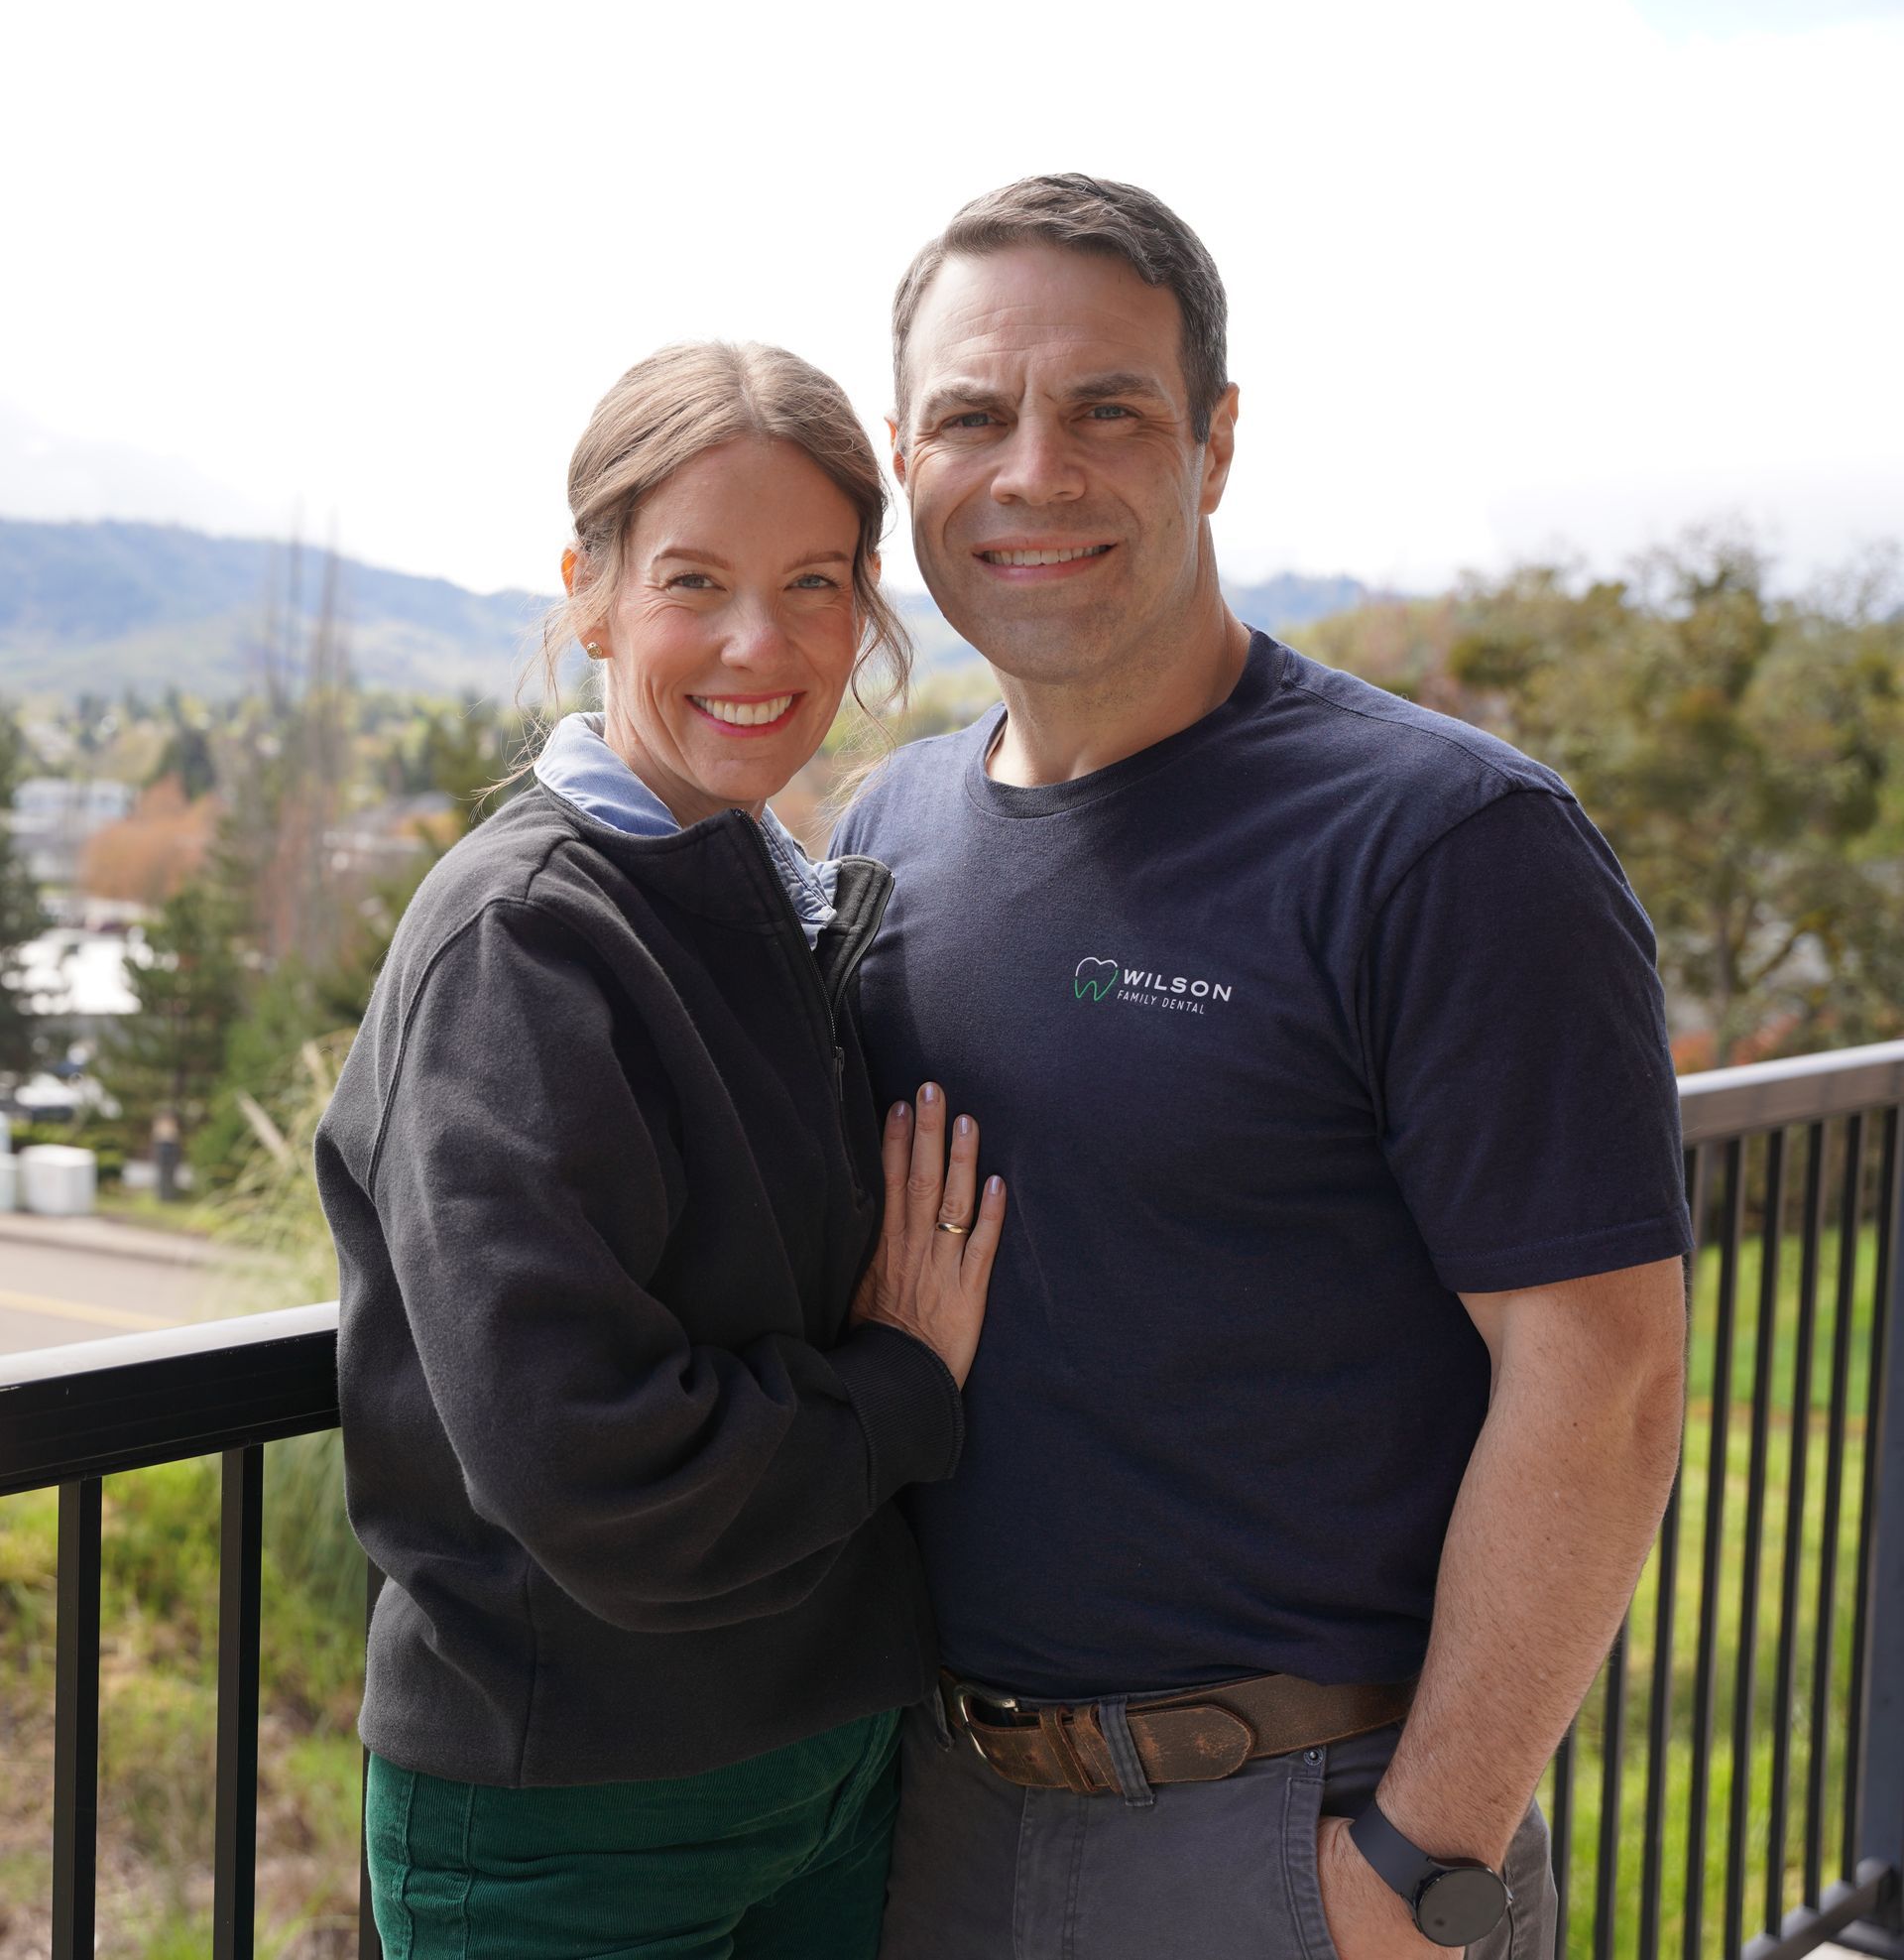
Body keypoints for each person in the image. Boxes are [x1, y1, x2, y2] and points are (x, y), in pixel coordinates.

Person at [830, 176, 1692, 1960]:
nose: (1035, 472)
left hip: (1301, 1842)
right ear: (905, 459)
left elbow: (1602, 1378)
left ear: (1215, 443)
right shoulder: (884, 834)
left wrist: (1420, 1868)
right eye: (974, 417)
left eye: (1108, 410)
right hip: (939, 1826)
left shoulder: (1446, 842)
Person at [314, 339, 1005, 1958]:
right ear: (592, 593)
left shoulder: (754, 886)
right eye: (696, 581)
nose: (762, 644)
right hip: (573, 1818)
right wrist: (901, 1385)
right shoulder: (523, 941)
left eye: (816, 584)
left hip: (825, 1770)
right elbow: (589, 1461)